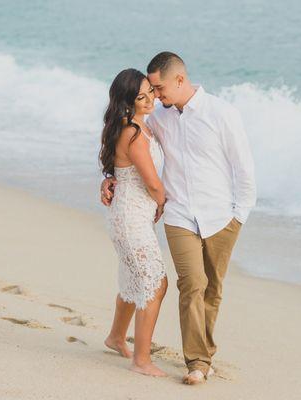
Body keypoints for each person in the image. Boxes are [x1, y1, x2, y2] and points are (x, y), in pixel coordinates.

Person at [101, 52, 256, 385]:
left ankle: (201, 353)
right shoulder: (157, 117)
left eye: (157, 88)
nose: (155, 97)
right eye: (149, 92)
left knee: (212, 289)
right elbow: (125, 139)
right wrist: (111, 176)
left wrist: (240, 214)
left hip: (220, 215)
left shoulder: (221, 113)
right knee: (188, 284)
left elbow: (243, 168)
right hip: (178, 214)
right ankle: (195, 363)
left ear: (180, 80)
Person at [99, 68, 168, 377]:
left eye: (150, 92)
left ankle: (115, 337)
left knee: (132, 281)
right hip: (130, 216)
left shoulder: (140, 125)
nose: (149, 99)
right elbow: (152, 182)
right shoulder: (134, 133)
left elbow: (120, 169)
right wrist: (163, 202)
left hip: (131, 214)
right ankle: (141, 360)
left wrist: (109, 179)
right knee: (155, 284)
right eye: (141, 97)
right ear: (128, 102)